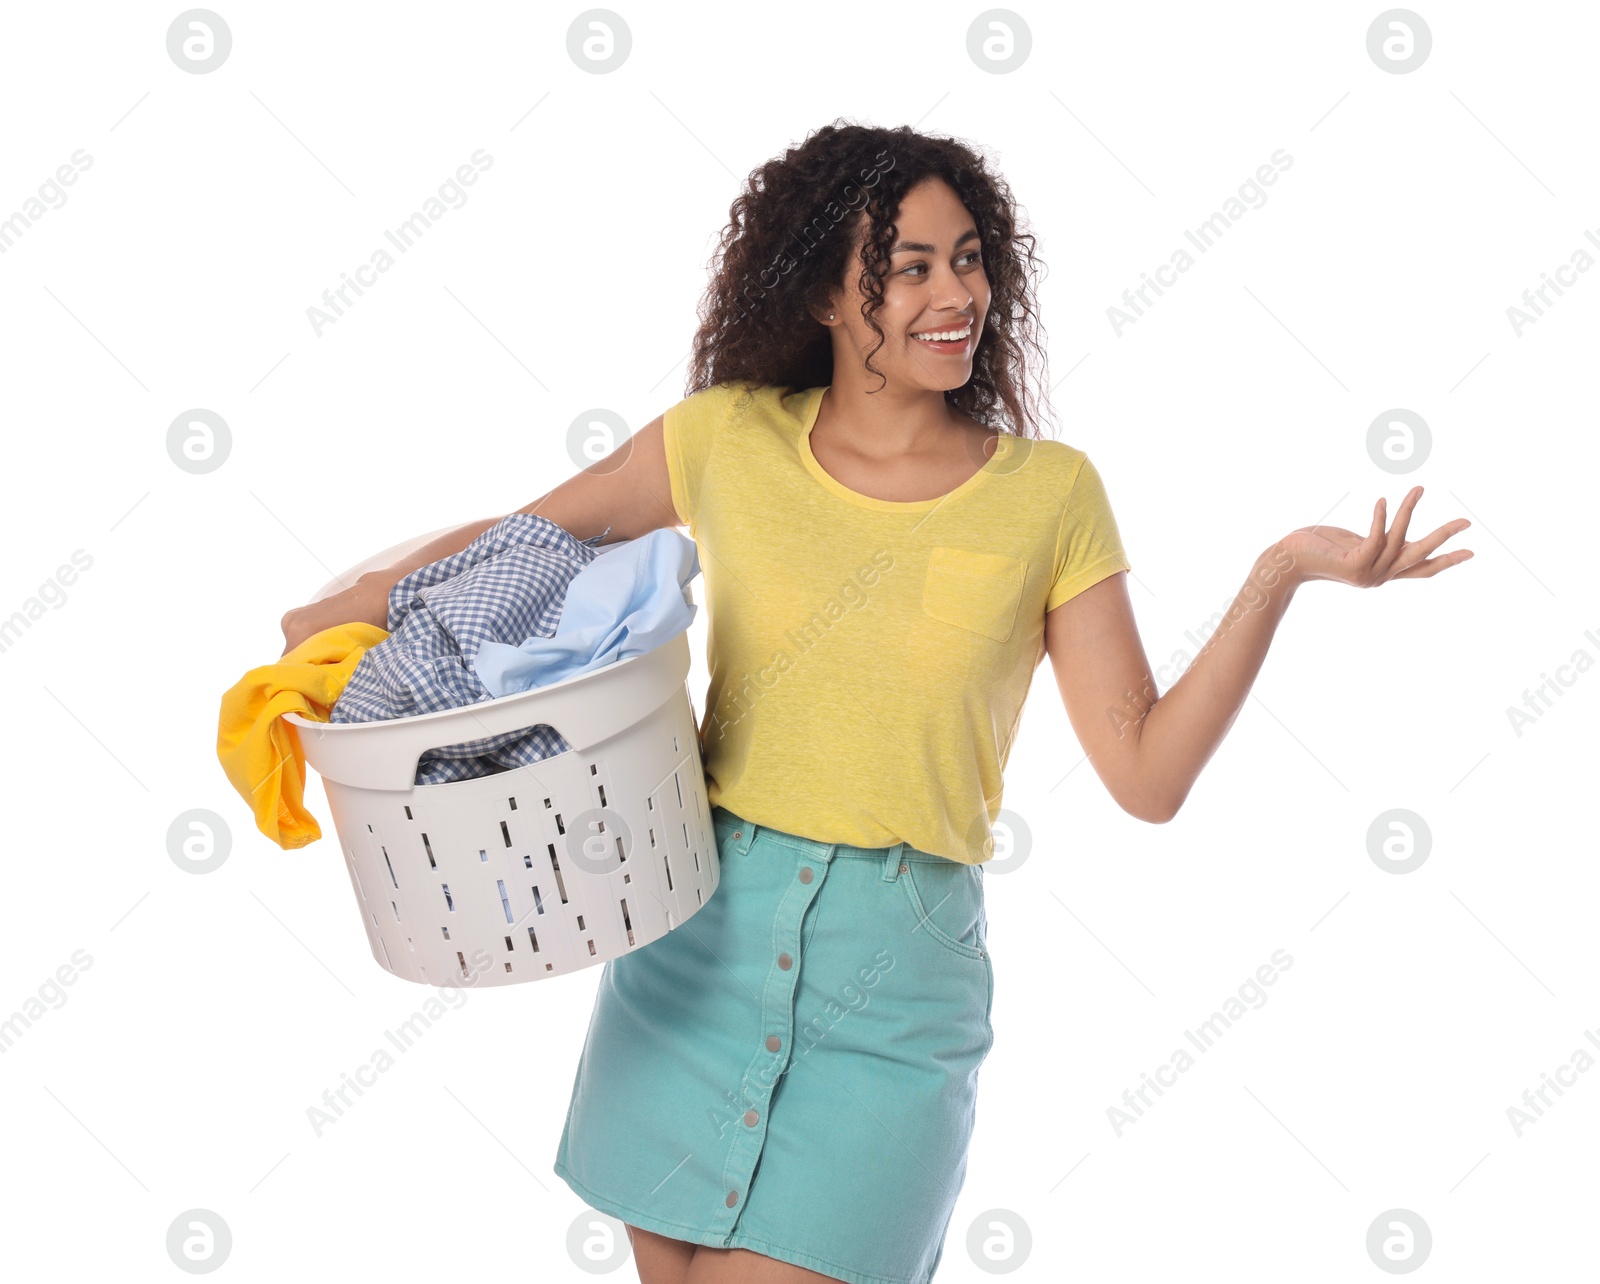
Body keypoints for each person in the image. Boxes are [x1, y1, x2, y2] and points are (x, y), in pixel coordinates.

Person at [280, 121, 1472, 1284]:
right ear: (822, 296)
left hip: (894, 983)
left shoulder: (1046, 497)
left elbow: (1147, 775)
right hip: (693, 940)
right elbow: (541, 538)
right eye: (908, 267)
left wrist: (1283, 573)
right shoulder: (726, 443)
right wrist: (361, 606)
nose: (956, 292)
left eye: (967, 258)